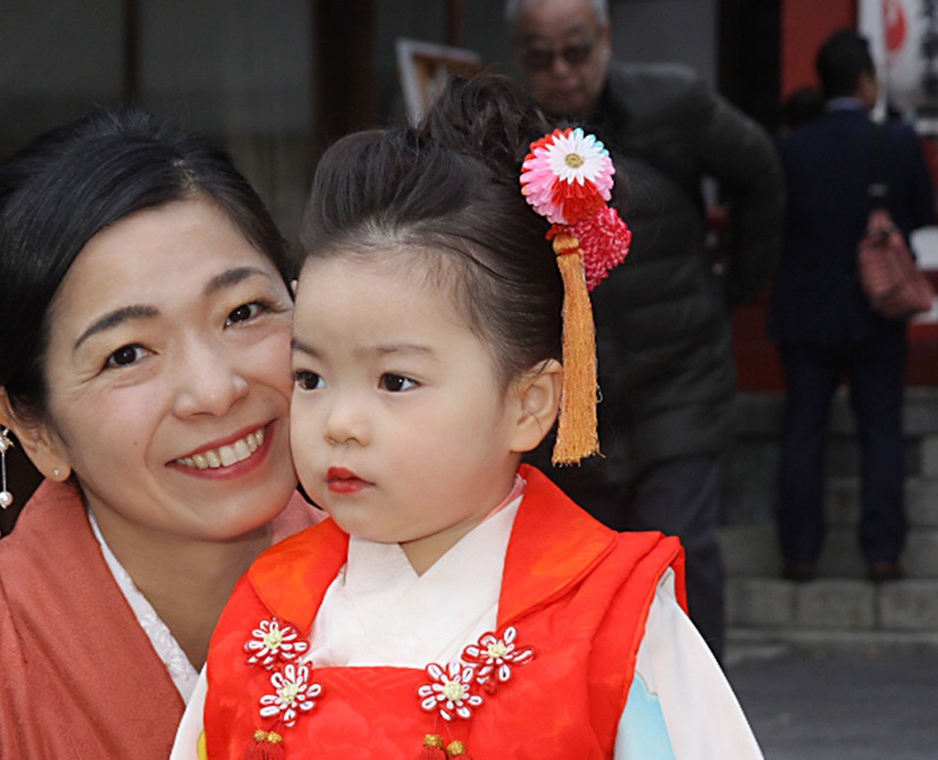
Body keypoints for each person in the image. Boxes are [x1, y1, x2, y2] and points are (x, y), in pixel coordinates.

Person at [174, 74, 762, 759]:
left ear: (529, 403)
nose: (339, 423)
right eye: (310, 376)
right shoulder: (266, 605)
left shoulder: (614, 618)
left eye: (395, 380)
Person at [0, 107, 321, 757]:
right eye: (127, 354)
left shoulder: (428, 573)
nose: (216, 391)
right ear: (32, 426)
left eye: (244, 312)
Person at [508, 0, 784, 661]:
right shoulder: (510, 133)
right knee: (586, 575)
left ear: (604, 36)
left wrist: (737, 287)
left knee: (677, 557)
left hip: (677, 380)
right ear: (521, 57)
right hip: (576, 402)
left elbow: (761, 174)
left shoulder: (673, 103)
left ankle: (696, 720)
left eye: (576, 51)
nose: (563, 73)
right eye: (542, 58)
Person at [768, 30, 935, 583]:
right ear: (867, 81)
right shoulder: (898, 143)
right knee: (881, 430)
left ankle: (799, 553)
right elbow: (919, 214)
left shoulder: (792, 147)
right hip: (876, 306)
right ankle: (882, 553)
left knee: (803, 431)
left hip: (805, 308)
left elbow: (774, 227)